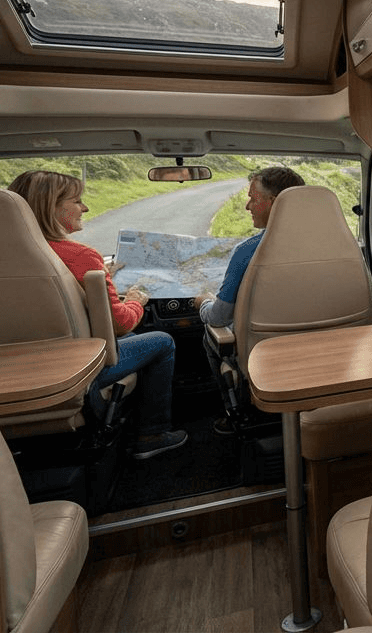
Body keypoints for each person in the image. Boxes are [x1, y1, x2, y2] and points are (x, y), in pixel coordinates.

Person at [8, 171, 187, 460]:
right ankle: (152, 433)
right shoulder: (80, 256)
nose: (85, 208)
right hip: (81, 372)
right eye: (77, 201)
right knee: (162, 341)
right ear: (50, 207)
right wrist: (135, 301)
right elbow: (121, 323)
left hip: (17, 376)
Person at [194, 166, 304, 432]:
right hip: (323, 351)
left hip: (264, 360)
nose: (247, 206)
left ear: (276, 204)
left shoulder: (247, 252)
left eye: (254, 198)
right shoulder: (340, 244)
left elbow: (219, 317)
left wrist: (204, 303)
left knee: (212, 338)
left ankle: (237, 411)